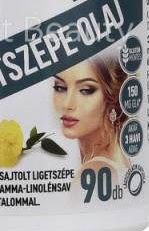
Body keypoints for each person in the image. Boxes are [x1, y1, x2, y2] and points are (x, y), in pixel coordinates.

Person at [52, 52, 130, 184]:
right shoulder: (117, 156)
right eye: (60, 88)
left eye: (86, 90)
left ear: (113, 96)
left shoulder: (94, 171)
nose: (67, 104)